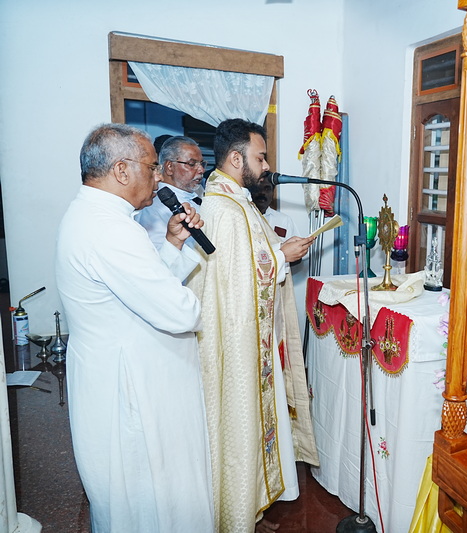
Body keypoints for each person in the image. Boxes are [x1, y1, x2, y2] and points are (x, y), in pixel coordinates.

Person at [55, 123, 213, 532]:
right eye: (152, 166)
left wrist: (173, 244)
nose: (158, 176)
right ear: (122, 170)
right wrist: (204, 306)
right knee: (152, 502)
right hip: (134, 386)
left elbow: (140, 289)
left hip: (124, 372)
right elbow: (179, 312)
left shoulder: (97, 215)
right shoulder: (110, 229)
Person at [187, 118, 319, 533]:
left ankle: (251, 508)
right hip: (235, 341)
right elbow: (239, 278)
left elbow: (251, 260)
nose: (266, 166)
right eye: (260, 158)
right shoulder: (222, 209)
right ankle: (235, 515)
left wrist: (280, 250)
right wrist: (283, 257)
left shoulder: (238, 202)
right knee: (237, 426)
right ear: (235, 158)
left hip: (252, 336)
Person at [136, 136, 206, 250]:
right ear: (169, 167)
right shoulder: (154, 207)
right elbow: (159, 254)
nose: (201, 170)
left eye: (201, 164)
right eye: (192, 164)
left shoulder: (194, 195)